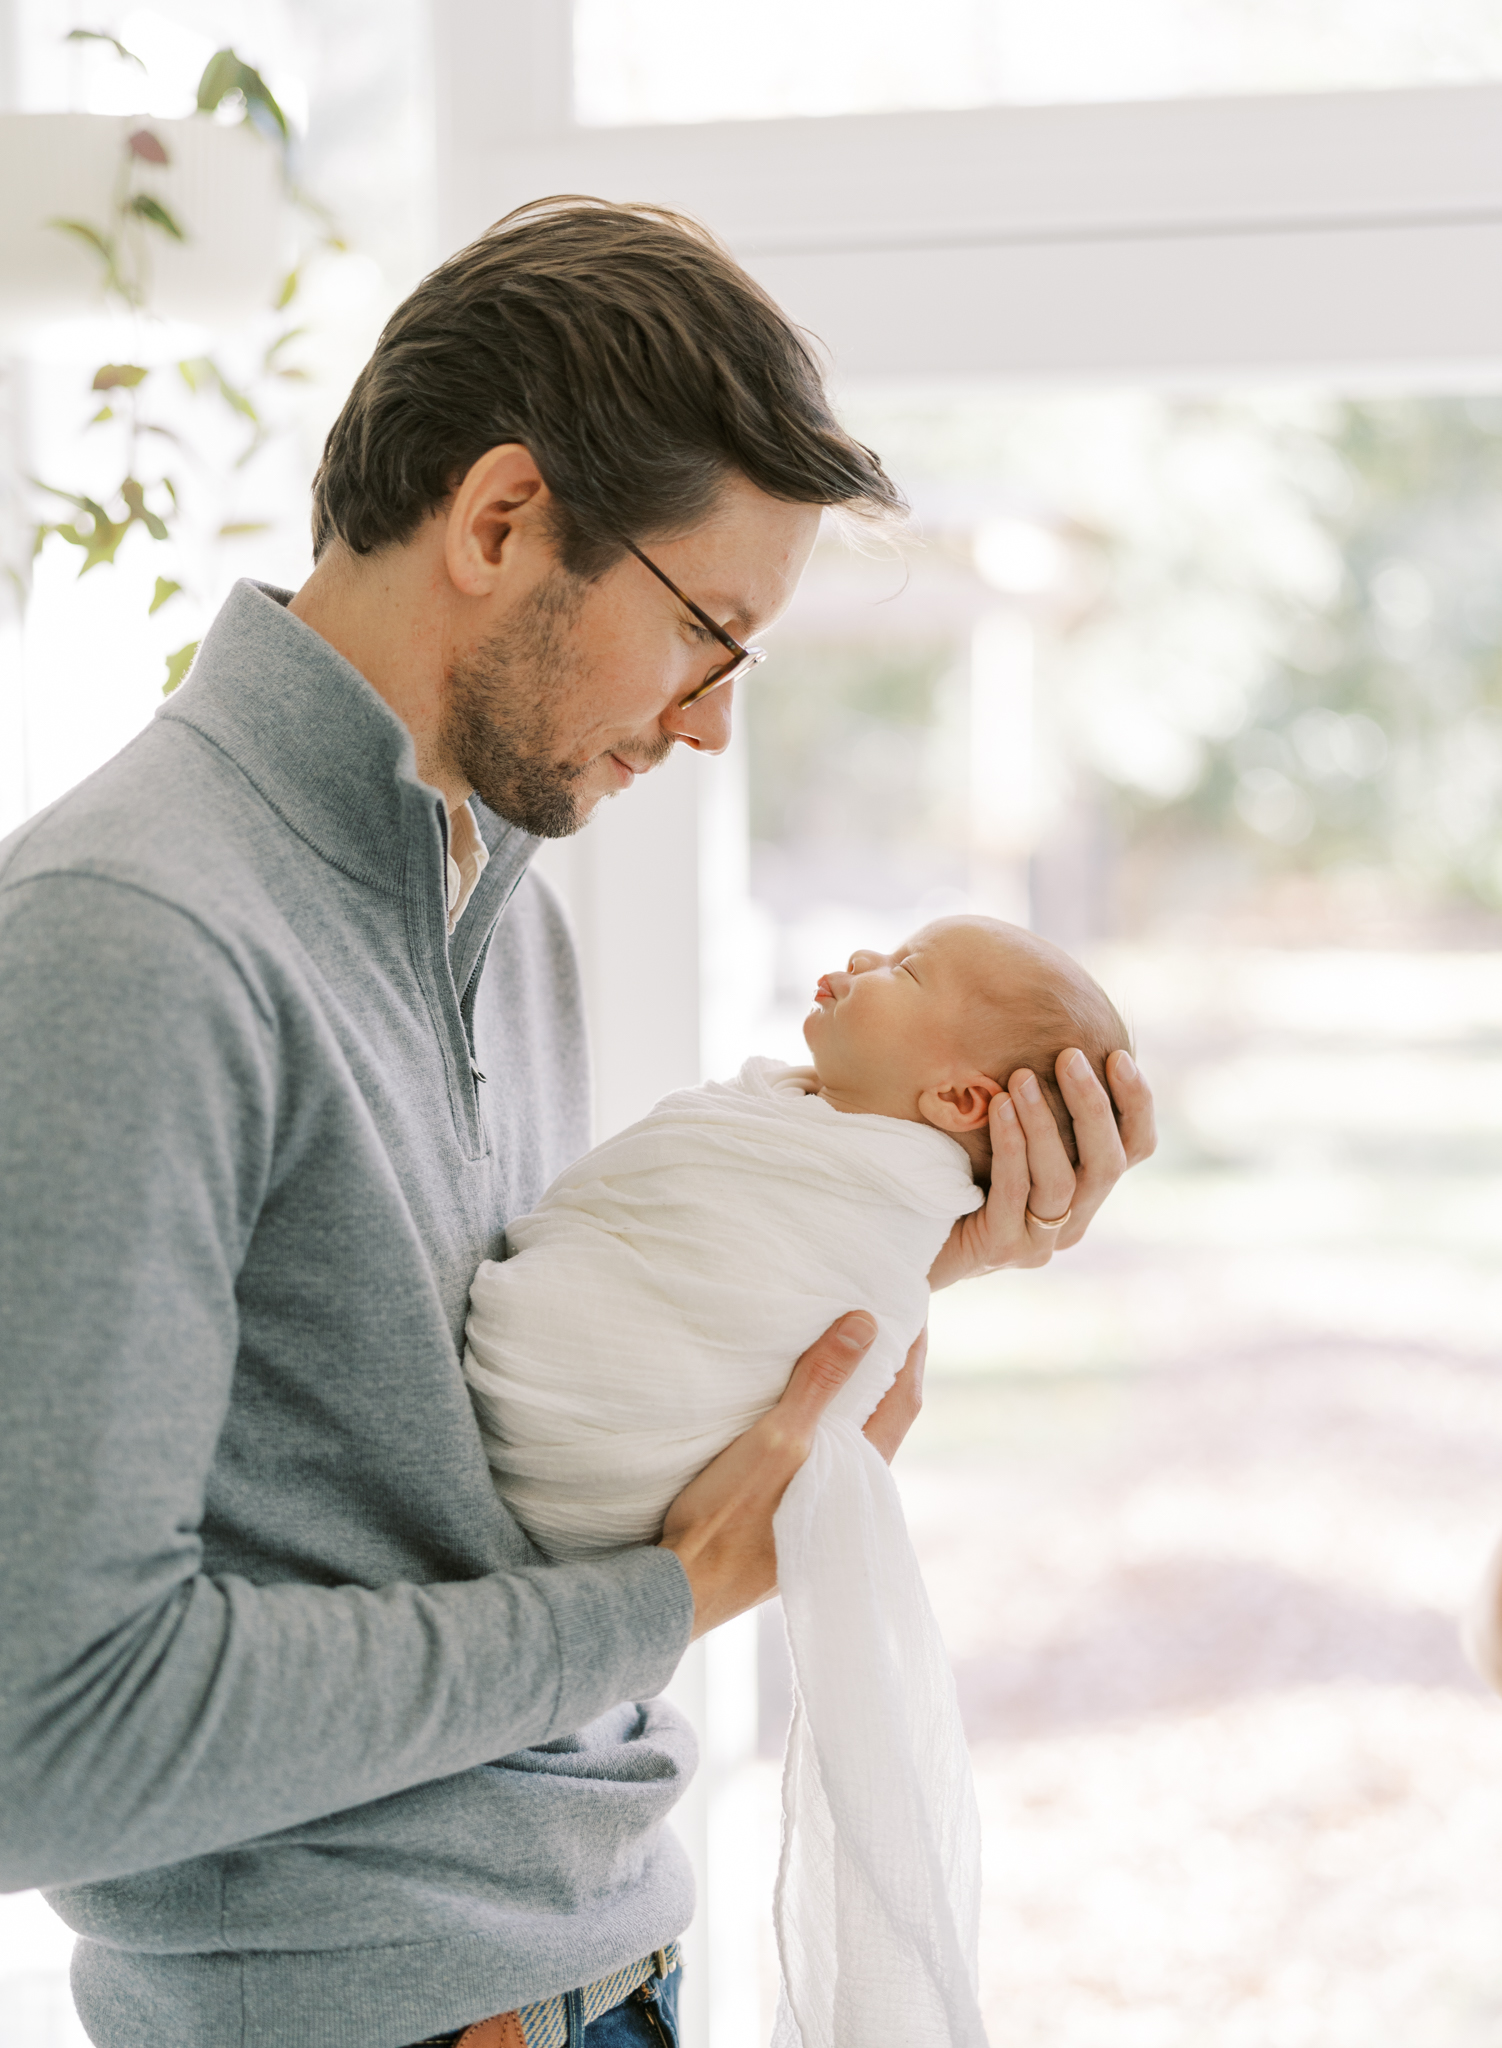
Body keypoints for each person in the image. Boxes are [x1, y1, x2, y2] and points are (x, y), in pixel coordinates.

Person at [0, 198, 1156, 2048]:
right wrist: (664, 1601)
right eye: (707, 633)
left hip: (605, 1966)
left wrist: (911, 1232)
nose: (705, 726)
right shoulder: (131, 936)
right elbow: (45, 1735)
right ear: (499, 520)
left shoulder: (497, 911)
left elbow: (467, 1480)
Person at [460, 916, 1132, 2045]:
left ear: (963, 1103)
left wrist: (942, 1254)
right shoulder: (796, 1126)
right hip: (509, 1968)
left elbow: (797, 1300)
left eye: (904, 969)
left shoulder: (870, 1194)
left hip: (584, 1933)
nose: (862, 961)